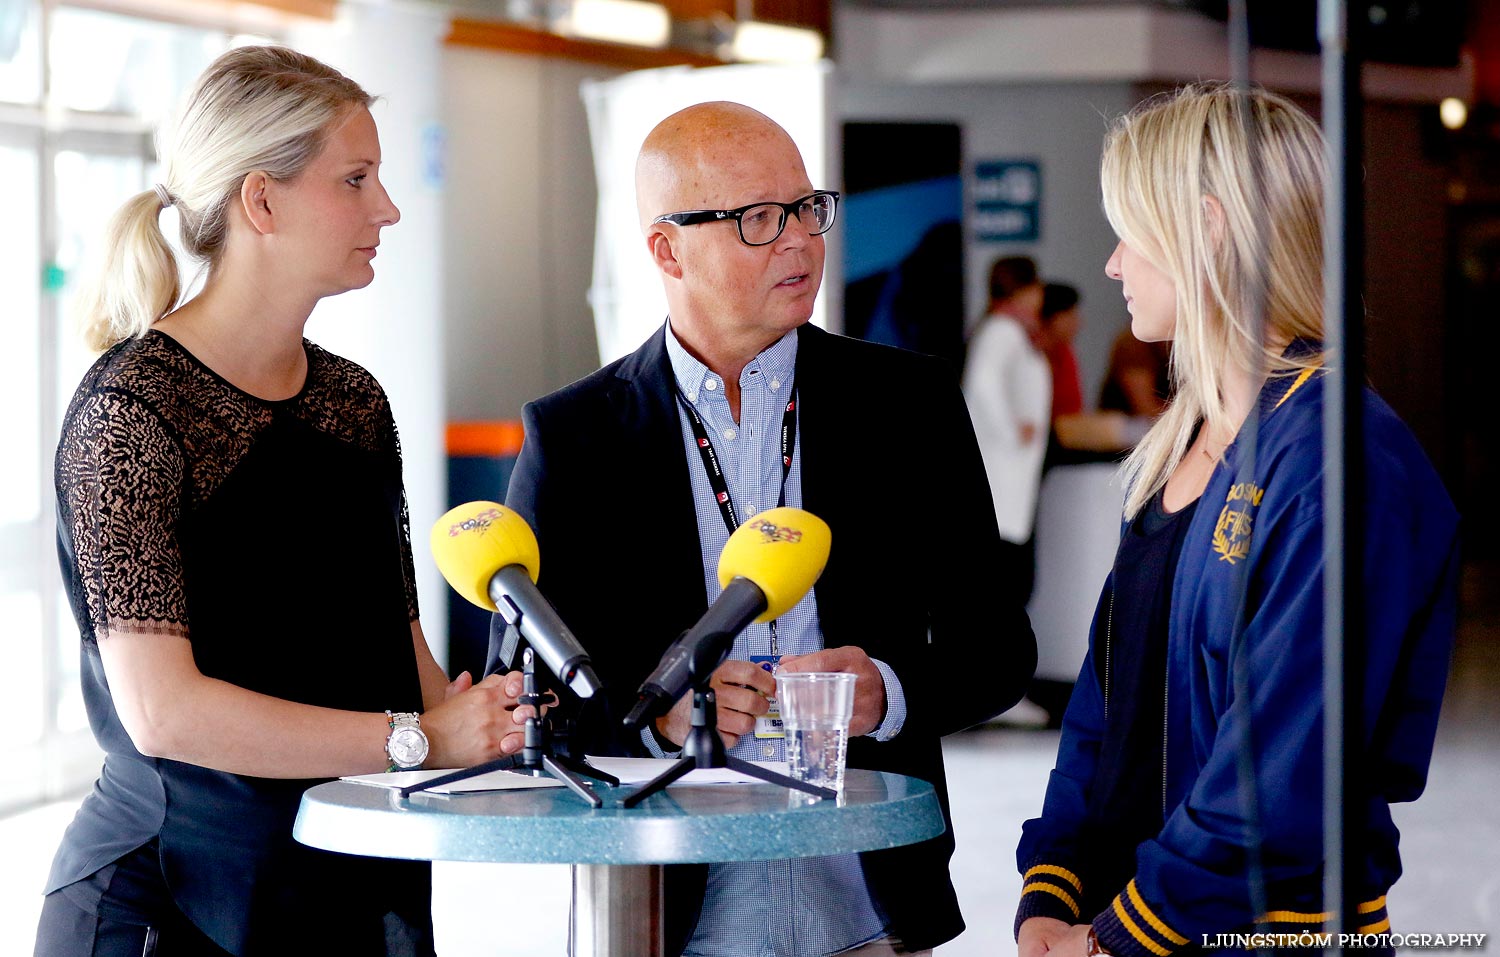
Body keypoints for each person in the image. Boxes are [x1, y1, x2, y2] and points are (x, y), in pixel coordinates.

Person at [502, 101, 1036, 957]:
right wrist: (660, 716)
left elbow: (999, 650)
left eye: (806, 208)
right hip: (665, 902)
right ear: (666, 248)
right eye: (757, 218)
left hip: (871, 897)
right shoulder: (576, 436)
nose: (798, 241)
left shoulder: (909, 404)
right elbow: (523, 696)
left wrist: (888, 691)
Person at [40, 46, 537, 957]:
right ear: (260, 202)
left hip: (345, 885)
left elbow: (403, 656)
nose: (387, 207)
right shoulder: (129, 415)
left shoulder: (356, 402)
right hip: (174, 906)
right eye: (355, 179)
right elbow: (165, 714)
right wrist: (419, 740)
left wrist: (496, 720)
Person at [1014, 83, 1459, 957]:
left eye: (1130, 233)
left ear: (1208, 229)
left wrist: (1112, 937)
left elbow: (1282, 771)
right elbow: (1104, 713)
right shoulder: (1177, 445)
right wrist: (1051, 886)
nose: (1111, 264)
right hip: (1120, 917)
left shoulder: (1341, 457)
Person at [961, 255, 1051, 609]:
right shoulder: (1003, 331)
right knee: (1007, 587)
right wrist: (1014, 431)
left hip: (1007, 480)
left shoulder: (1002, 330)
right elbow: (983, 384)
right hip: (1002, 477)